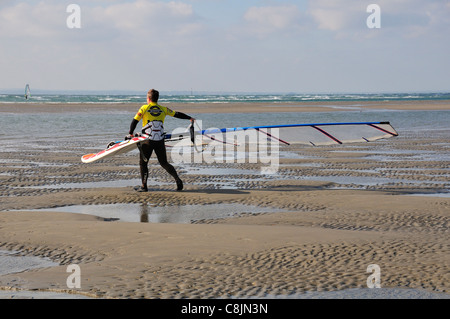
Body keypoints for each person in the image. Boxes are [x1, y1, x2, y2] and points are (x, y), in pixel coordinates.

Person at [127, 89, 195, 192]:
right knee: (164, 163)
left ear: (148, 99)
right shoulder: (163, 109)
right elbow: (177, 114)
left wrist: (130, 133)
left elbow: (135, 121)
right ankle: (178, 180)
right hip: (159, 140)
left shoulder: (144, 108)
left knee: (143, 163)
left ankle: (144, 186)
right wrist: (189, 118)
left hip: (147, 141)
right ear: (157, 99)